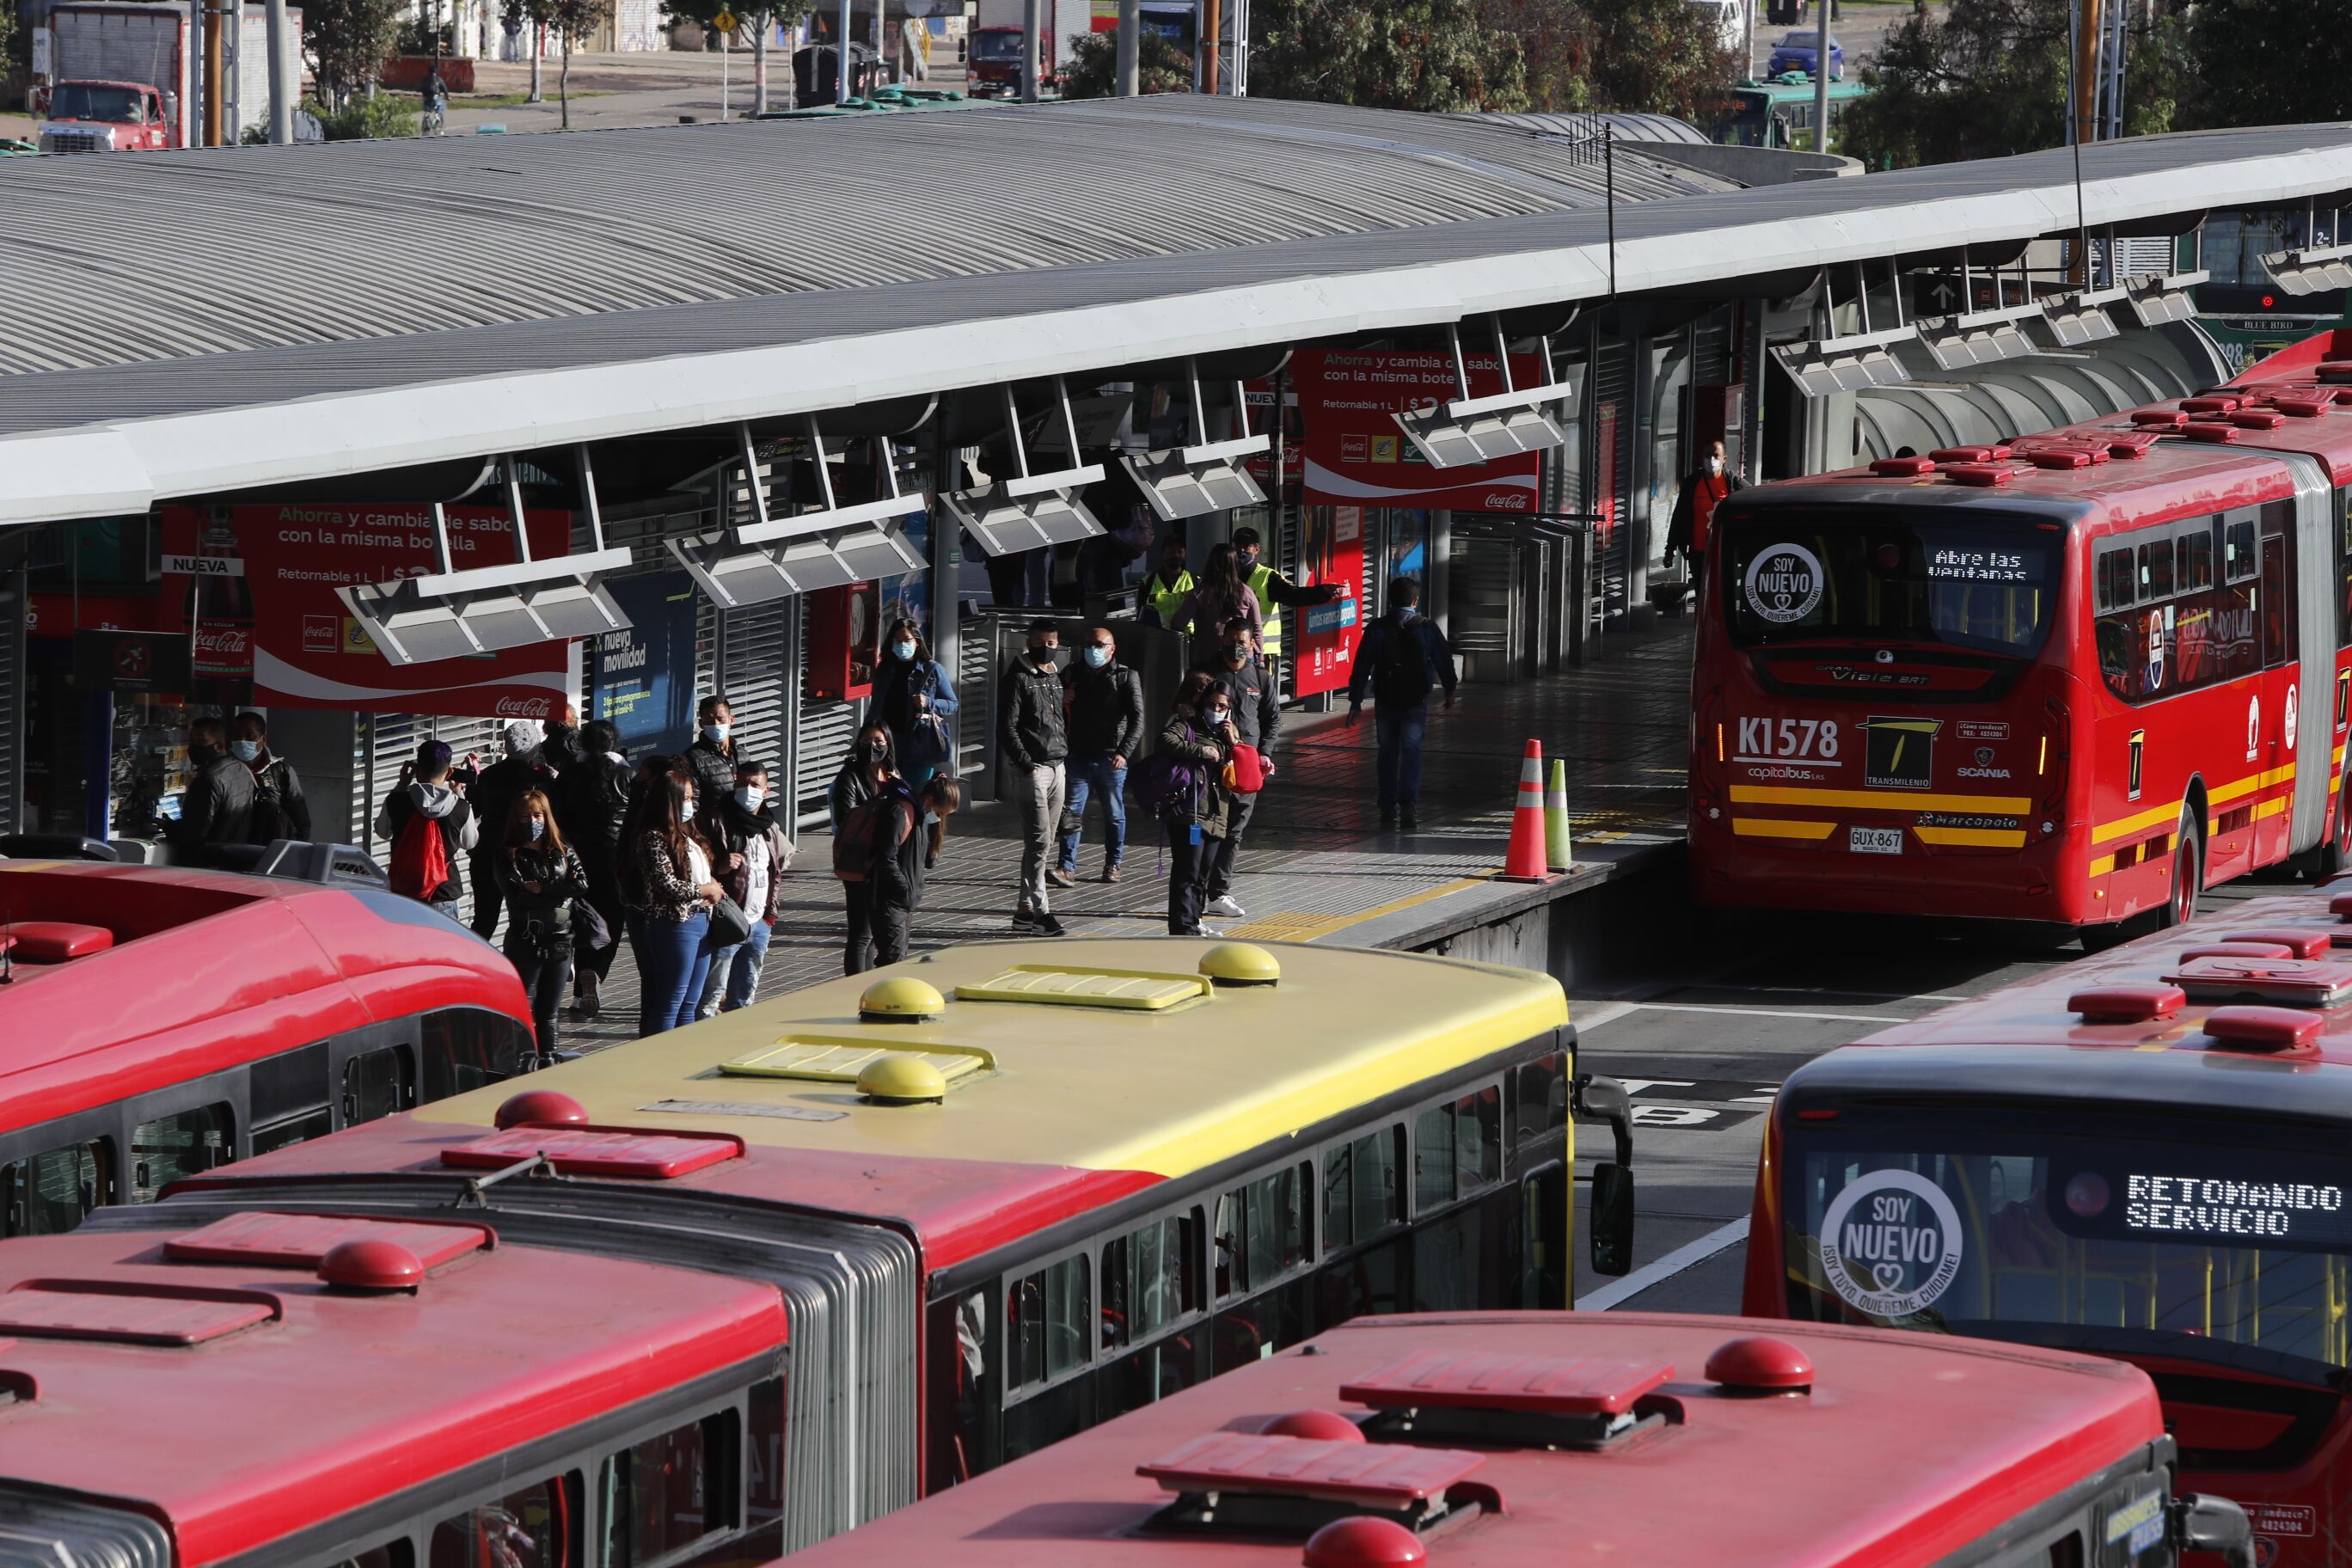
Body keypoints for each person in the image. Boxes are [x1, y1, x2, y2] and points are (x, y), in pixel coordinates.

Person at [1348, 578, 1459, 833]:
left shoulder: (1378, 627)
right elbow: (1443, 658)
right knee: (1411, 751)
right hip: (1415, 700)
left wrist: (1355, 701)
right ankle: (1408, 803)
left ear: (1389, 599)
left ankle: (1387, 806)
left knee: (1387, 751)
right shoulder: (1426, 627)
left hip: (1386, 698)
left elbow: (1362, 664)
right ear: (1415, 600)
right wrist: (1450, 690)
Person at [494, 788, 588, 1058]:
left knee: (550, 1011)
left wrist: (544, 888)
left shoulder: (561, 849)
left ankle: (548, 1059)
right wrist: (558, 891)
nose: (533, 822)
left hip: (560, 936)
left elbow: (581, 884)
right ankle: (519, 1060)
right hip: (526, 937)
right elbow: (518, 895)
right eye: (526, 817)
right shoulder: (509, 854)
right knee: (524, 1005)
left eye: (538, 815)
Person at [1195, 618, 1278, 919]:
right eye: (1232, 639)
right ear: (1222, 640)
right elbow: (1184, 711)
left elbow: (1272, 719)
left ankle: (1219, 893)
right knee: (1206, 829)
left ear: (1252, 643)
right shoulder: (1205, 674)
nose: (1237, 646)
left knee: (1234, 832)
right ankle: (1197, 890)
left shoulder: (1260, 676)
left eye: (1242, 641)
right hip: (1212, 766)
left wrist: (1264, 753)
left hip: (1245, 767)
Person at [629, 769, 723, 1037]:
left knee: (690, 1003)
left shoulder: (688, 834)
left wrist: (713, 888)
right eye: (684, 799)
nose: (689, 805)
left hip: (702, 920)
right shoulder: (653, 836)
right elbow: (666, 884)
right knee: (671, 1000)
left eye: (692, 798)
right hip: (675, 925)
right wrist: (704, 889)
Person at [699, 759, 793, 1016]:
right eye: (742, 784)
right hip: (729, 920)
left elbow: (774, 872)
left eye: (754, 785)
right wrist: (720, 865)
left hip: (759, 923)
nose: (747, 790)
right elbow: (697, 864)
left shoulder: (769, 827)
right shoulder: (716, 819)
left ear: (766, 791)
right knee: (712, 993)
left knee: (745, 994)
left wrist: (770, 916)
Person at [555, 720, 634, 1020]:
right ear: (614, 743)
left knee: (583, 920)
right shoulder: (627, 775)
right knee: (610, 925)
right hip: (615, 862)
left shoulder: (569, 774)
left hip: (577, 861)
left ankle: (579, 993)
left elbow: (558, 817)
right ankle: (595, 976)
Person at [1055, 622, 1144, 886]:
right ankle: (1065, 867)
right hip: (1078, 755)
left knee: (1114, 814)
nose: (1093, 650)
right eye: (1089, 645)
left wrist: (1124, 752)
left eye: (1099, 646)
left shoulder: (1126, 676)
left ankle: (1114, 863)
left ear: (1112, 649)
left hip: (1110, 758)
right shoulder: (1072, 672)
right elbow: (1049, 707)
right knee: (1071, 812)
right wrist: (1062, 695)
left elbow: (1137, 719)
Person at [998, 618, 1069, 936]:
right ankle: (1042, 912)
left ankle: (1023, 912)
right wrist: (1027, 764)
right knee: (1040, 841)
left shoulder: (1055, 676)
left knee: (1043, 842)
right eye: (1040, 642)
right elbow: (1007, 726)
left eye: (1052, 643)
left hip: (1058, 765)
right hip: (1034, 770)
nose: (1046, 648)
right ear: (1029, 642)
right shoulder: (1017, 677)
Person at [1157, 672, 1234, 938]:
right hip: (1189, 808)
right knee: (1187, 870)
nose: (1215, 710)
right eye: (1211, 703)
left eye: (1222, 706)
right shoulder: (1187, 724)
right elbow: (1165, 741)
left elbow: (1244, 768)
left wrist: (1234, 742)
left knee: (1202, 871)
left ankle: (1195, 920)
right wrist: (1200, 751)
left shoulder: (1228, 732)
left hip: (1216, 811)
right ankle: (1182, 926)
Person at [467, 720, 555, 941]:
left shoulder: (487, 776)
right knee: (529, 916)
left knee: (484, 919)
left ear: (506, 747)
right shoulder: (541, 782)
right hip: (525, 856)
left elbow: (474, 808)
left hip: (486, 852)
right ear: (534, 748)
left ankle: (471, 965)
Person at [867, 775, 964, 967]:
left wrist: (935, 827)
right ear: (929, 800)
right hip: (890, 899)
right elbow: (886, 857)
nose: (939, 817)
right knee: (892, 960)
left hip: (904, 901)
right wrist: (904, 888)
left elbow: (929, 861)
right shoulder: (900, 812)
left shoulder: (921, 819)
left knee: (896, 957)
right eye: (939, 812)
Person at [838, 732, 911, 975]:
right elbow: (846, 818)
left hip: (881, 862)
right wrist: (885, 800)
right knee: (860, 934)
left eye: (880, 741)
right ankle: (853, 987)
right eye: (868, 741)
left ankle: (867, 983)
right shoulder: (850, 776)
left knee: (872, 934)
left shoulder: (892, 772)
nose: (873, 746)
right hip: (860, 861)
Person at [376, 739, 480, 908]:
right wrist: (459, 793)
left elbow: (382, 832)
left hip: (403, 893)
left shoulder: (395, 801)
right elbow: (470, 842)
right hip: (443, 893)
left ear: (416, 769)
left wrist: (402, 784)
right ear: (449, 773)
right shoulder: (461, 808)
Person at [1230, 524, 1343, 661]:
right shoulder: (1227, 575)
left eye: (1246, 546)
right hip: (1230, 648)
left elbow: (1294, 595)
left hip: (1259, 652)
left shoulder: (1267, 577)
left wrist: (1322, 591)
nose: (1241, 550)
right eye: (1237, 545)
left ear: (1257, 549)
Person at [873, 619, 959, 787]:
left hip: (920, 741)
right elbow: (875, 708)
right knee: (887, 794)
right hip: (888, 742)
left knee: (915, 794)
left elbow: (952, 704)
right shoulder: (885, 670)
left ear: (917, 642)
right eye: (897, 640)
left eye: (906, 640)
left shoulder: (932, 669)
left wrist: (929, 702)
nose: (902, 645)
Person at [1663, 438, 1743, 585]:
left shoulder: (1732, 481)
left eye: (1715, 455)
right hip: (1697, 550)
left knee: (1721, 589)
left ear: (1724, 459)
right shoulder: (1692, 483)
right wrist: (1670, 549)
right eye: (1707, 456)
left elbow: (1750, 499)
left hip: (1723, 550)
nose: (1711, 459)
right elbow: (1679, 516)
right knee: (1701, 590)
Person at [232, 712, 311, 844]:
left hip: (270, 849)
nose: (243, 741)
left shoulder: (282, 772)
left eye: (250, 737)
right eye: (237, 737)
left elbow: (301, 819)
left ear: (263, 740)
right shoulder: (223, 770)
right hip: (231, 848)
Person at [1170, 542, 1260, 651]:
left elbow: (1177, 623)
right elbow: (1257, 629)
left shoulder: (1200, 593)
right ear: (1234, 565)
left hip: (1207, 658)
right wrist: (1259, 658)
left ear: (1211, 564)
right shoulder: (1247, 592)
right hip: (1240, 659)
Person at [684, 695, 740, 810]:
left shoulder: (741, 754)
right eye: (709, 721)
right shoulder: (693, 758)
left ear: (731, 720)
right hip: (713, 825)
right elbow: (692, 803)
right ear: (701, 724)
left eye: (721, 719)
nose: (716, 724)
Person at [1137, 534, 1194, 629]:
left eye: (1180, 551)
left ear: (1185, 554)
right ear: (1162, 554)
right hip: (1157, 639)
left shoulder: (1194, 582)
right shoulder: (1148, 583)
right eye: (1171, 551)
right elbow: (1140, 617)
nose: (1176, 555)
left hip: (1186, 639)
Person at [421, 62, 447, 134]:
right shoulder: (439, 79)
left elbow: (421, 88)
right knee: (440, 105)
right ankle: (437, 117)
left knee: (427, 111)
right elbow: (444, 88)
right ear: (436, 71)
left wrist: (424, 96)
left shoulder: (425, 79)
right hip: (436, 98)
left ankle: (426, 122)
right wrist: (447, 96)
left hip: (426, 98)